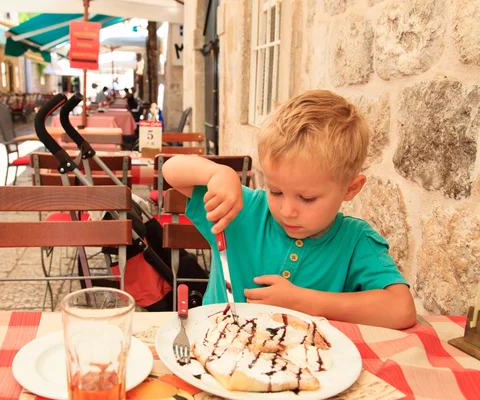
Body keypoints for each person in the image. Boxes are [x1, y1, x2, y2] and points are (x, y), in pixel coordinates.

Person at [161, 90, 416, 329]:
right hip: (212, 351)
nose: (287, 210)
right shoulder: (243, 211)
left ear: (350, 189)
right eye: (276, 192)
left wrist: (302, 301)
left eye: (307, 198)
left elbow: (401, 309)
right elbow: (171, 170)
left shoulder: (355, 240)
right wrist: (217, 173)